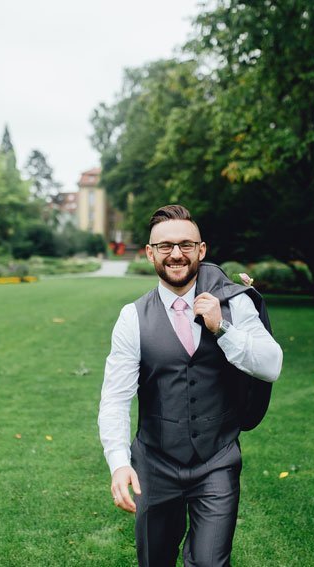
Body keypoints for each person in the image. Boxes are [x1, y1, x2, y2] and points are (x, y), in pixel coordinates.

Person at [98, 204, 282, 566]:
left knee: (211, 562)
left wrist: (221, 328)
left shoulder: (234, 304)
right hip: (154, 464)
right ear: (150, 253)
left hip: (217, 460)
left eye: (186, 244)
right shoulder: (132, 318)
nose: (176, 254)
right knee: (155, 560)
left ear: (202, 250)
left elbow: (271, 365)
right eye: (165, 246)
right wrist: (119, 462)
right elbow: (115, 399)